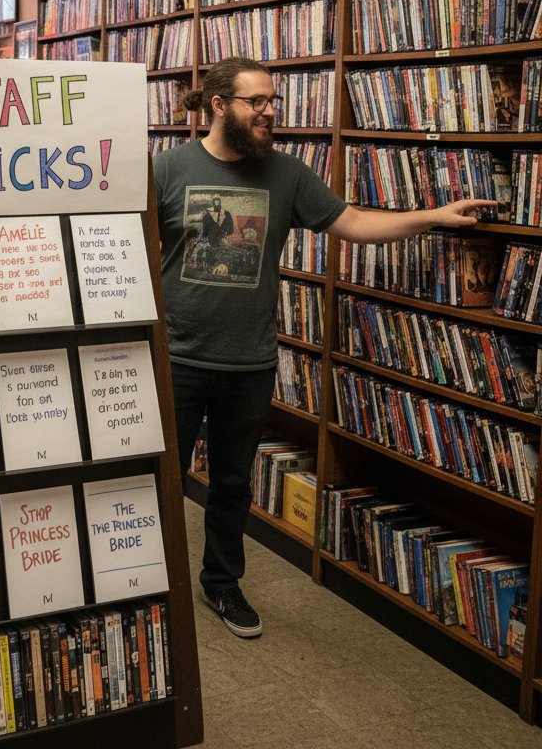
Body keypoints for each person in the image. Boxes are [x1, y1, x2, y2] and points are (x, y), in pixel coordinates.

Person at [153, 56, 495, 639]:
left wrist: (435, 216)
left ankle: (222, 583)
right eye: (255, 102)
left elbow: (355, 223)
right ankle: (150, 587)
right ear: (218, 105)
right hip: (177, 358)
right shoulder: (168, 169)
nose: (268, 112)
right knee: (161, 482)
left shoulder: (285, 174)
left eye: (273, 102)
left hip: (249, 361)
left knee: (233, 483)